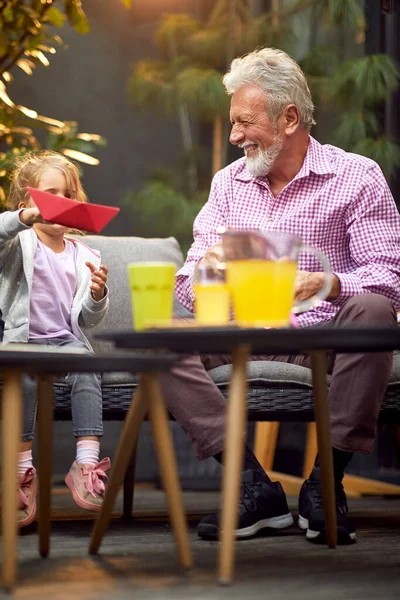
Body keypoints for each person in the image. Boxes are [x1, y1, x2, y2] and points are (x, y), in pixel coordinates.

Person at [158, 47, 400, 545]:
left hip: (325, 337)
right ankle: (252, 484)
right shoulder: (228, 184)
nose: (233, 137)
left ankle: (325, 484)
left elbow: (388, 277)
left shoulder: (357, 176)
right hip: (242, 330)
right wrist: (207, 270)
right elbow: (187, 281)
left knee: (374, 310)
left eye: (244, 122)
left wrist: (327, 284)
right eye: (232, 123)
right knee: (161, 339)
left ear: (289, 118)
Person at [0, 151, 111, 527]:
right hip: (23, 341)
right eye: (50, 194)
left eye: (68, 194)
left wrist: (97, 296)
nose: (61, 202)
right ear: (27, 204)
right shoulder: (20, 245)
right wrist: (21, 221)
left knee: (87, 367)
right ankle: (21, 472)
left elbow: (86, 320)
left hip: (65, 341)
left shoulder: (85, 255)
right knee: (25, 378)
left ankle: (85, 464)